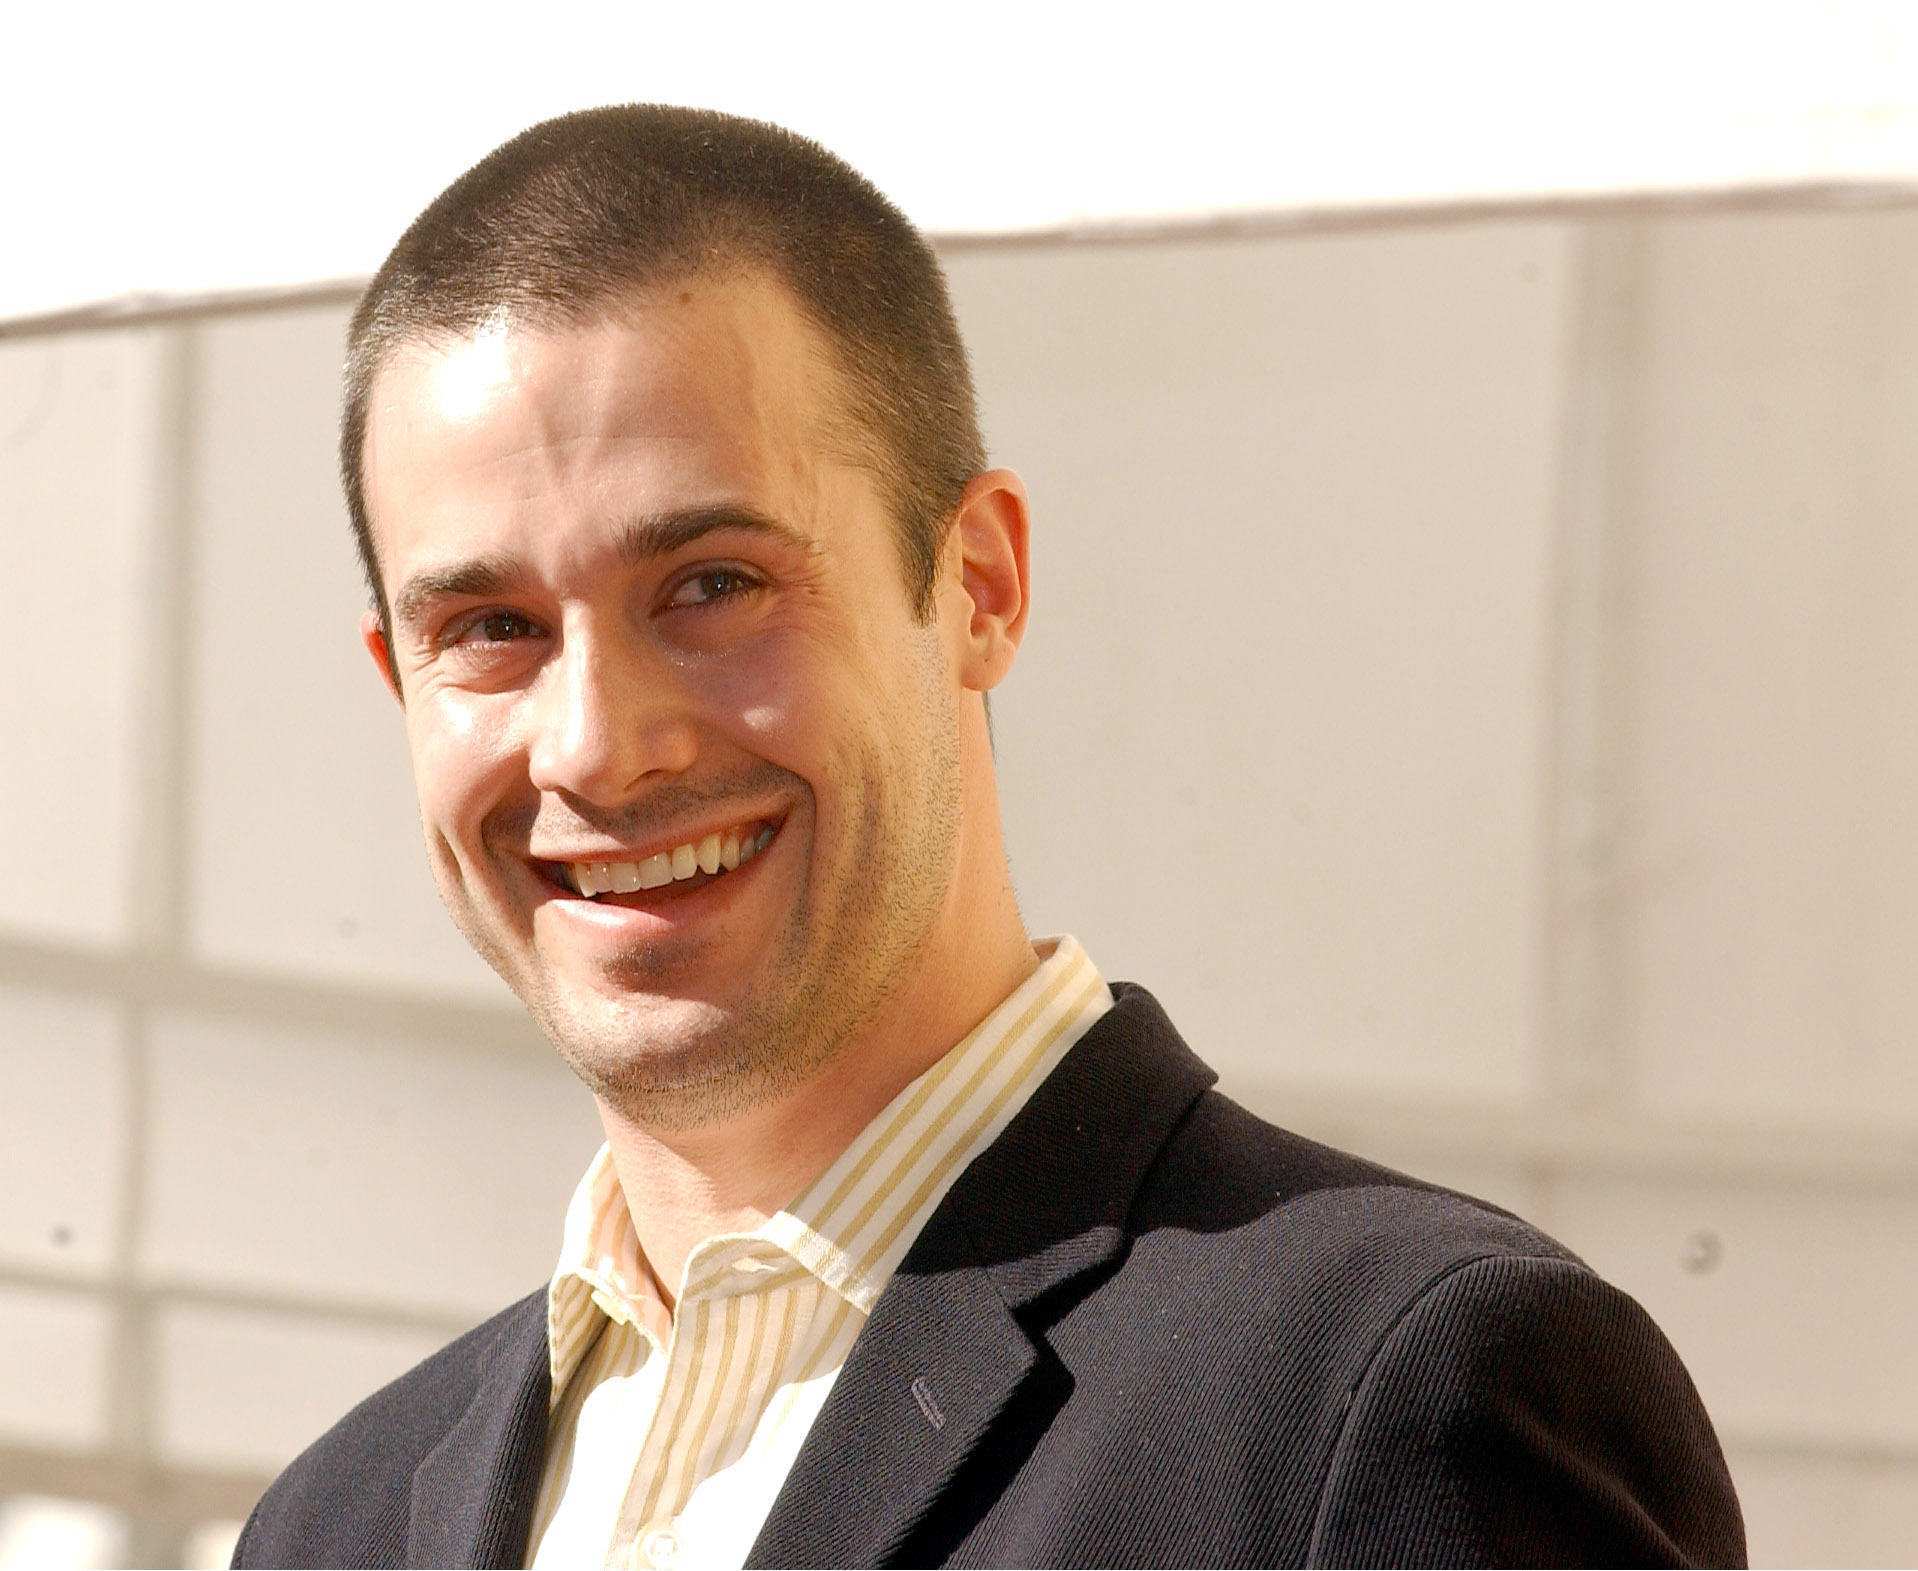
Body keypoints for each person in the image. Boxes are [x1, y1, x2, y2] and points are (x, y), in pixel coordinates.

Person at [234, 105, 1745, 1569]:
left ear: (978, 585)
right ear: (397, 685)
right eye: (489, 628)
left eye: (710, 584)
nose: (594, 746)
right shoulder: (332, 1528)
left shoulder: (1397, 1389)